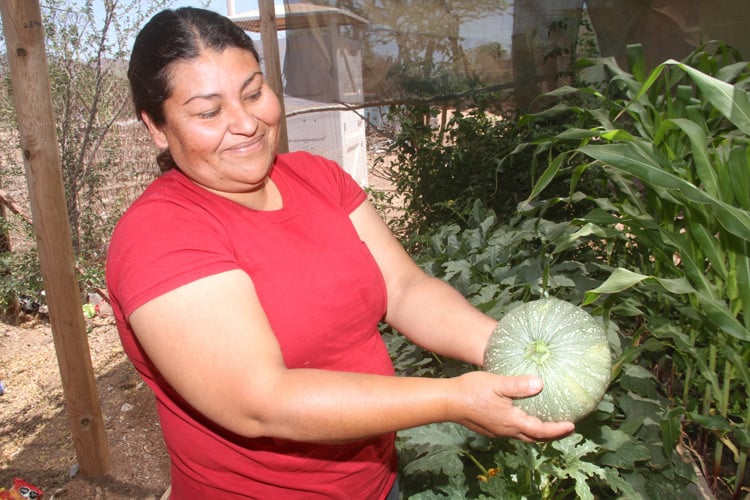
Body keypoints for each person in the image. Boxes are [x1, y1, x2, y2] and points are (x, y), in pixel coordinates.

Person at [106, 7, 574, 499]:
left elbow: (404, 288)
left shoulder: (317, 176)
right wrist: (455, 399)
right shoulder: (159, 234)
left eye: (254, 92)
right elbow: (262, 399)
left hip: (376, 482)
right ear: (157, 127)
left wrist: (505, 346)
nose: (247, 123)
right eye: (208, 112)